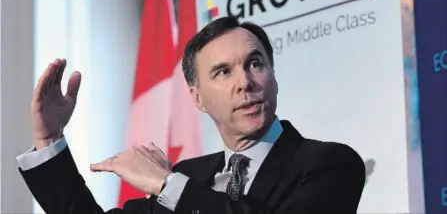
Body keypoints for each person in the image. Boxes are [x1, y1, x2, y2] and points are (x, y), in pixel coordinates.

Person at [17, 16, 366, 214]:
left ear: (273, 77)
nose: (244, 83)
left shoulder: (330, 164)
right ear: (197, 98)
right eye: (223, 72)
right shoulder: (188, 176)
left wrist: (166, 184)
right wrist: (48, 141)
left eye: (255, 64)